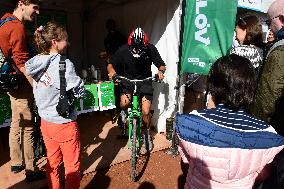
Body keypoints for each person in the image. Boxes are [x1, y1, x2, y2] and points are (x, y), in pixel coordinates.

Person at [176, 54, 284, 189]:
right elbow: (262, 174)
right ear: (251, 88)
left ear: (213, 86)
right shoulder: (269, 135)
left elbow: (187, 160)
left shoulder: (190, 123)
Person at [25, 21, 85, 189]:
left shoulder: (36, 62)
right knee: (72, 167)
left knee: (52, 163)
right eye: (65, 39)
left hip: (45, 122)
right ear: (54, 42)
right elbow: (79, 91)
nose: (68, 43)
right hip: (64, 123)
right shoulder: (64, 64)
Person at [0, 0, 45, 181]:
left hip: (9, 82)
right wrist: (37, 87)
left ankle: (16, 162)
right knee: (28, 127)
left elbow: (12, 48)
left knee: (16, 121)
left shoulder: (4, 21)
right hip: (20, 83)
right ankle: (31, 169)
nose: (38, 12)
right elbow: (22, 62)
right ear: (22, 4)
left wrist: (32, 36)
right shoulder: (16, 27)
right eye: (35, 7)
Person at [107, 27, 166, 151]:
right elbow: (111, 64)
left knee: (145, 111)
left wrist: (160, 72)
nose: (137, 50)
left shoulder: (150, 49)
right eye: (135, 47)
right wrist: (112, 72)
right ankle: (123, 114)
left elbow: (161, 64)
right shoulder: (123, 50)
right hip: (128, 81)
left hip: (145, 82)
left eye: (140, 48)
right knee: (124, 104)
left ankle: (147, 133)